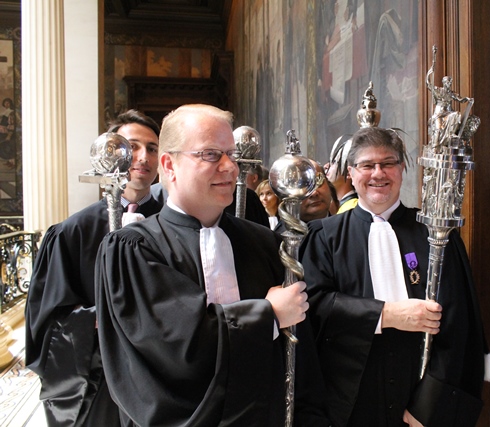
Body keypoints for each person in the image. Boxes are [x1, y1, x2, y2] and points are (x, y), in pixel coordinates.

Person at [94, 104, 329, 426]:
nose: (230, 167)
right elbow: (175, 345)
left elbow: (300, 357)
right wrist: (268, 314)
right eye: (210, 154)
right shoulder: (134, 249)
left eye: (231, 154)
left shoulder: (264, 244)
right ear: (169, 164)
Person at [301, 127, 490, 427]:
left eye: (388, 163)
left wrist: (429, 406)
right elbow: (314, 307)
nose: (378, 173)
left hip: (419, 394)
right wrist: (385, 315)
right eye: (367, 165)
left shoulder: (436, 236)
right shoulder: (323, 238)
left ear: (403, 168)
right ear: (351, 172)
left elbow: (459, 324)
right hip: (346, 399)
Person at [25, 109, 163, 426]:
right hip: (99, 381)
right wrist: (98, 320)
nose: (142, 157)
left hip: (162, 376)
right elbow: (48, 320)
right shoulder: (72, 233)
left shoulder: (174, 223)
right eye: (131, 147)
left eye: (152, 148)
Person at [275, 159, 332, 235]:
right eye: (302, 185)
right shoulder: (280, 240)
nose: (314, 193)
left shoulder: (346, 228)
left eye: (318, 181)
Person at [325, 136, 358, 213]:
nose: (326, 166)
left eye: (333, 162)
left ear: (349, 173)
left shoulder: (351, 207)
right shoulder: (344, 206)